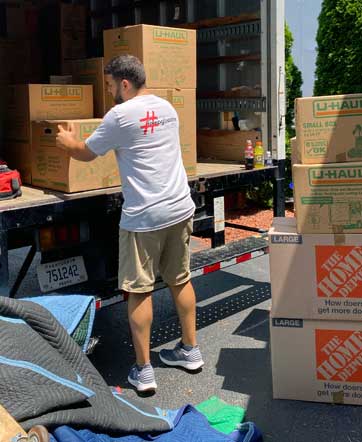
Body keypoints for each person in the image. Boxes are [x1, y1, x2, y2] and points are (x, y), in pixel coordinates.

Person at [56, 55, 204, 392]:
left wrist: (66, 143)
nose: (109, 92)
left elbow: (86, 151)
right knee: (180, 279)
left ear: (125, 83)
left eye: (109, 86)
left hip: (144, 217)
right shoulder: (167, 109)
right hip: (180, 208)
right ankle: (190, 351)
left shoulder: (119, 116)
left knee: (139, 291)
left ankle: (143, 370)